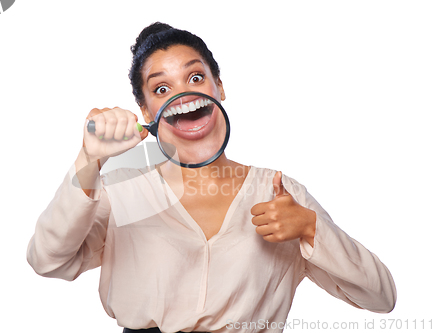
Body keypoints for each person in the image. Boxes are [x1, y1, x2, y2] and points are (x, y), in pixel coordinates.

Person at [26, 22, 396, 333]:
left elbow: (381, 298)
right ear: (146, 110)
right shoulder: (122, 192)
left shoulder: (279, 192)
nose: (183, 93)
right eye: (161, 88)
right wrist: (89, 160)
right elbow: (47, 261)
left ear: (219, 86)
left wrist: (312, 229)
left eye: (196, 76)